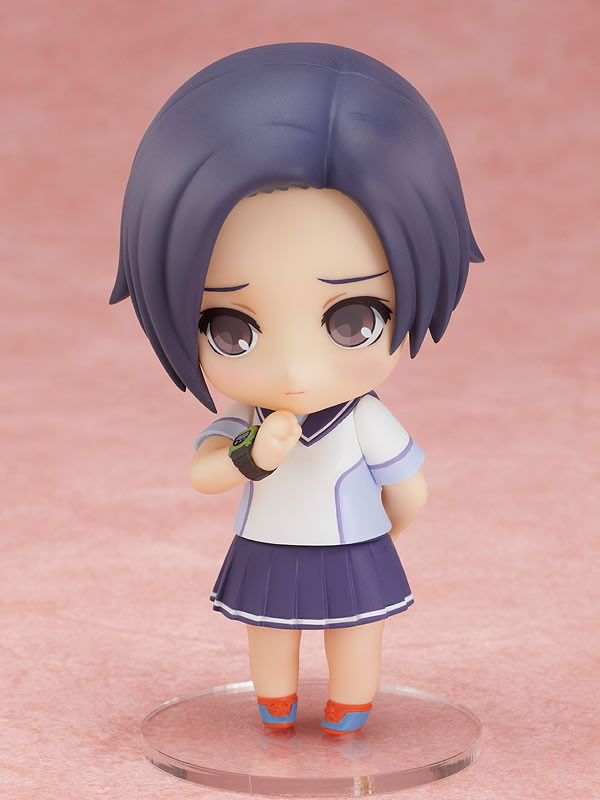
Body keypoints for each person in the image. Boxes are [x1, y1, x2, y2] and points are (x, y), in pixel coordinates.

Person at [110, 42, 483, 735]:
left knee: (354, 630)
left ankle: (349, 705)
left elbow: (410, 490)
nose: (294, 372)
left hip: (347, 546)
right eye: (231, 329)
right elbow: (205, 473)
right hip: (275, 543)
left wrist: (377, 536)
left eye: (353, 321)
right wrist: (254, 456)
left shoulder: (363, 418)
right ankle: (276, 701)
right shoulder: (247, 417)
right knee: (269, 630)